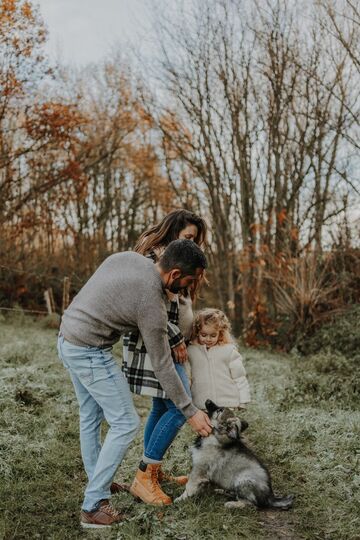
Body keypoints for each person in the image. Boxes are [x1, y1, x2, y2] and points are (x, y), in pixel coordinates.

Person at [57, 239, 212, 529]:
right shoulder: (152, 303)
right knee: (126, 422)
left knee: (90, 417)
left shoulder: (131, 258)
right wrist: (190, 411)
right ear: (175, 274)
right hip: (89, 350)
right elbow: (163, 364)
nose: (188, 289)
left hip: (68, 336)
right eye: (189, 282)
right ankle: (93, 506)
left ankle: (98, 483)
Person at [122, 210, 208, 505]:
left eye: (195, 240)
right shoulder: (150, 262)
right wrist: (174, 337)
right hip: (155, 345)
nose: (193, 244)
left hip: (171, 344)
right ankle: (144, 475)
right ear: (172, 232)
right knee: (180, 406)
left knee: (162, 405)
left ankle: (151, 471)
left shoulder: (174, 264)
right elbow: (144, 307)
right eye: (188, 237)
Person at [187, 308, 251, 410]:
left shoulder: (229, 350)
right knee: (204, 427)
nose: (208, 339)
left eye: (213, 335)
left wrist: (243, 401)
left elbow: (240, 377)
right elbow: (187, 379)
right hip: (201, 406)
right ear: (197, 332)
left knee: (226, 426)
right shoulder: (191, 351)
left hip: (228, 404)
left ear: (220, 333)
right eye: (204, 335)